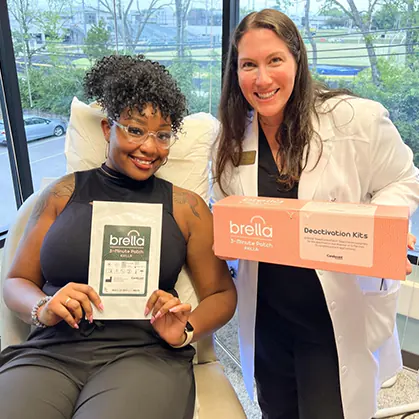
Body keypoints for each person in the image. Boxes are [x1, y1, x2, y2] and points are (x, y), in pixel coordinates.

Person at [0, 54, 237, 419]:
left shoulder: (186, 207)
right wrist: (42, 307)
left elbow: (222, 294)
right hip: (51, 350)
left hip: (144, 355)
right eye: (135, 130)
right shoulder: (61, 195)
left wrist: (186, 330)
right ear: (107, 129)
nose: (150, 147)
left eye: (162, 135)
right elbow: (17, 280)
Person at [211, 9, 419, 419]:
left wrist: (377, 226)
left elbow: (404, 178)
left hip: (330, 317)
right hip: (267, 316)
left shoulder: (353, 118)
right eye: (248, 65)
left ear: (297, 59)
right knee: (276, 409)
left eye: (274, 60)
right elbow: (225, 212)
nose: (262, 79)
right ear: (235, 72)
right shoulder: (231, 138)